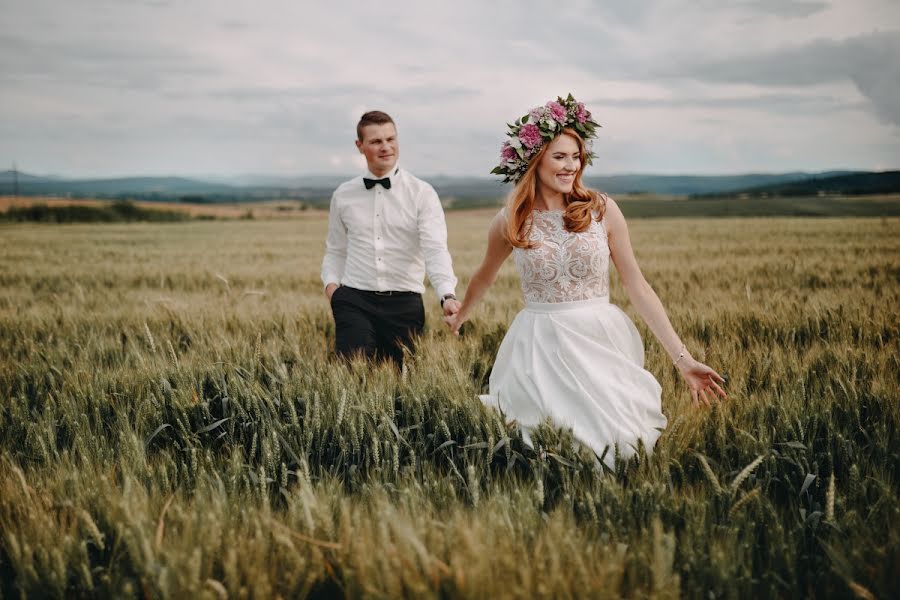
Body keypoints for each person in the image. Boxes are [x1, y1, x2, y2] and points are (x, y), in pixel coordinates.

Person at [444, 94, 727, 468]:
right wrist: (462, 313)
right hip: (539, 346)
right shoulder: (510, 219)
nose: (570, 166)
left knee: (621, 446)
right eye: (559, 156)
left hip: (600, 340)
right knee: (546, 449)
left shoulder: (602, 210)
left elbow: (638, 287)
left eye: (576, 157)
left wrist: (683, 359)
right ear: (535, 160)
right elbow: (485, 275)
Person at [321, 110, 461, 365]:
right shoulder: (343, 195)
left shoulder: (422, 194)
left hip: (404, 303)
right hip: (354, 298)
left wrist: (447, 295)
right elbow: (336, 249)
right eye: (376, 141)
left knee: (398, 382)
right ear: (359, 146)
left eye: (391, 139)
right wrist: (332, 286)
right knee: (352, 375)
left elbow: (435, 249)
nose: (386, 147)